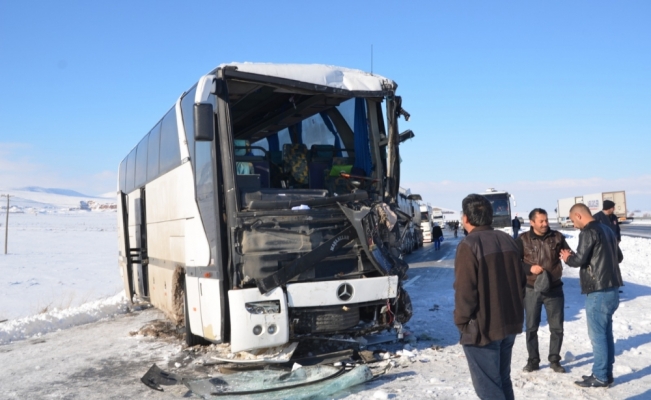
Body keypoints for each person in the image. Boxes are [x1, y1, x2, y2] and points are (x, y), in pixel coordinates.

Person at [454, 194, 526, 400]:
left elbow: (465, 290)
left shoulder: (469, 244)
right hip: (508, 323)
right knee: (503, 380)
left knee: (488, 387)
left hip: (482, 328)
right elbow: (522, 282)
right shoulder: (508, 240)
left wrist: (462, 322)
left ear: (466, 218)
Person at [560, 203, 624, 388]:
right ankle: (605, 373)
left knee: (598, 335)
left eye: (573, 220)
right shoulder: (608, 229)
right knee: (605, 333)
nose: (573, 225)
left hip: (598, 290)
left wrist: (567, 257)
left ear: (579, 216)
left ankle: (600, 376)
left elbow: (579, 259)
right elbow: (618, 257)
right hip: (612, 289)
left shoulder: (588, 231)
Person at [517, 208, 571, 374]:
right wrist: (528, 268)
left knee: (557, 328)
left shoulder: (557, 237)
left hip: (554, 289)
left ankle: (554, 359)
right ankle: (533, 360)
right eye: (541, 221)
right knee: (531, 327)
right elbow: (514, 262)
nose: (545, 224)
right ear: (532, 222)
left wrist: (569, 255)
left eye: (546, 220)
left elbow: (568, 253)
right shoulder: (522, 239)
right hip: (532, 289)